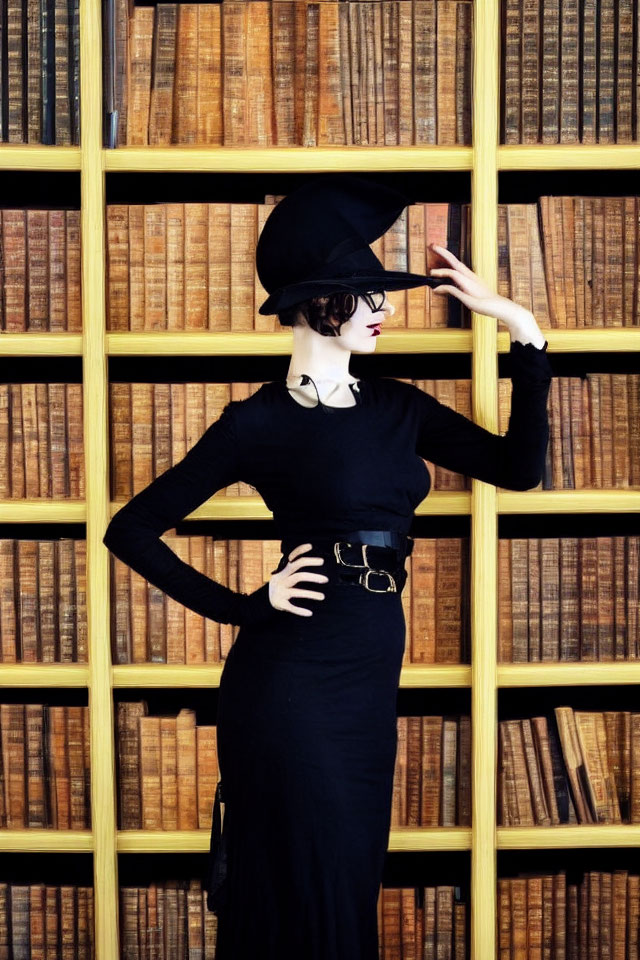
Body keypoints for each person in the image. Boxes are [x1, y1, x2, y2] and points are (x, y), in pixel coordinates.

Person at [102, 174, 552, 959]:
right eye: (367, 294)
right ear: (320, 302)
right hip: (289, 680)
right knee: (297, 882)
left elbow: (519, 467)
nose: (384, 309)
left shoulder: (398, 408)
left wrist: (522, 329)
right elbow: (131, 529)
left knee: (347, 878)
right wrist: (246, 606)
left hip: (369, 672)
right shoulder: (257, 422)